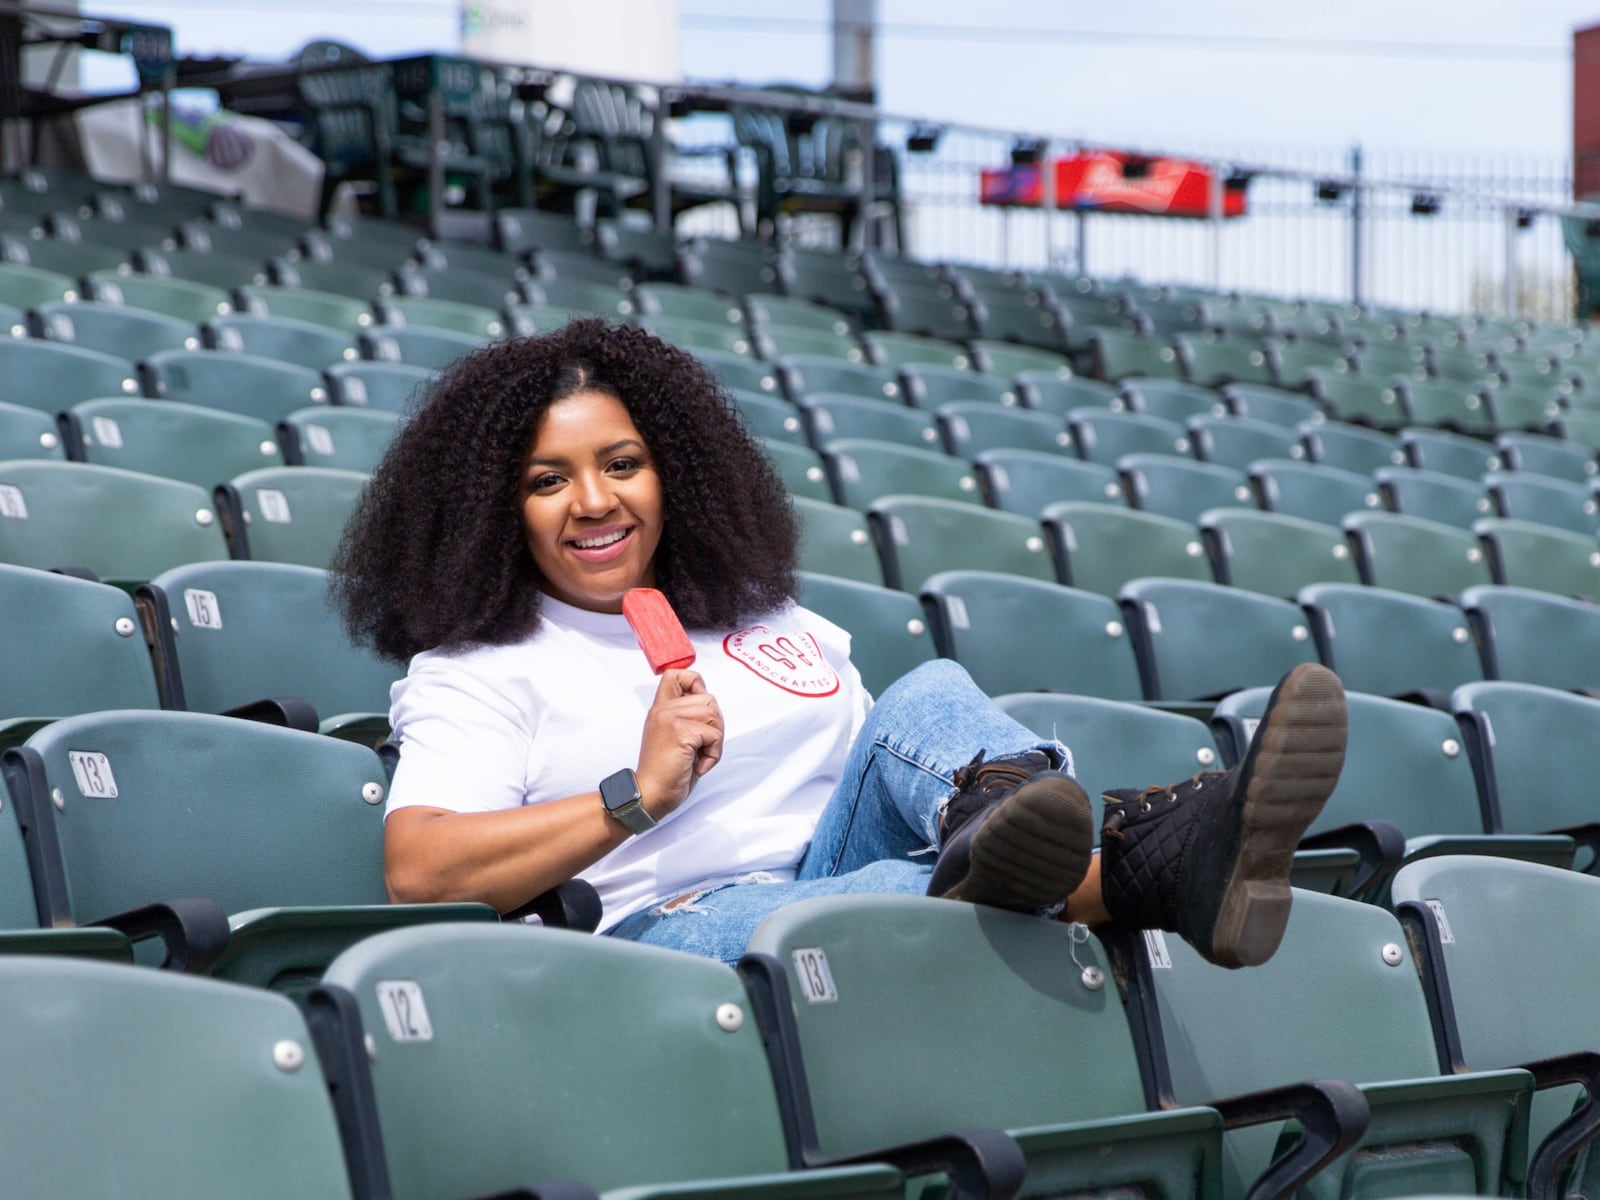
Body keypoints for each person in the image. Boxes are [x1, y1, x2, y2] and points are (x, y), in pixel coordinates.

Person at [332, 318, 1347, 968]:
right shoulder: (483, 667)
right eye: (547, 481)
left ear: (670, 474)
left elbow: (885, 770)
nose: (593, 501)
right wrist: (634, 795)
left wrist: (962, 807)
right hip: (663, 934)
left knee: (927, 697)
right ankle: (1153, 851)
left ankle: (1008, 807)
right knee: (901, 898)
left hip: (834, 859)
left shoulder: (766, 619)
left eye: (621, 464)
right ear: (493, 514)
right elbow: (417, 872)